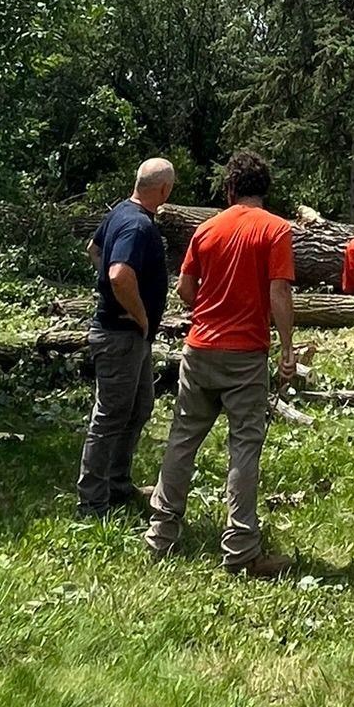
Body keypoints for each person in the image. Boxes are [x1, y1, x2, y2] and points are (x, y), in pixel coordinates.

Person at [146, 149, 296, 578]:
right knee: (244, 447)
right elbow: (280, 293)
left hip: (199, 349)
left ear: (230, 189)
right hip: (245, 355)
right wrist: (286, 346)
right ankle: (242, 550)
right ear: (264, 190)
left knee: (182, 439)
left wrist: (212, 307)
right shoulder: (275, 230)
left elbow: (186, 290)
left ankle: (161, 534)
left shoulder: (206, 229)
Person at [77, 156, 174, 518]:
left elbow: (94, 249)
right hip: (121, 334)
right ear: (164, 190)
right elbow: (118, 274)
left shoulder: (120, 212)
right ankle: (92, 502)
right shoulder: (136, 226)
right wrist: (138, 313)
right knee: (110, 417)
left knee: (139, 406)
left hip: (130, 336)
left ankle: (117, 482)